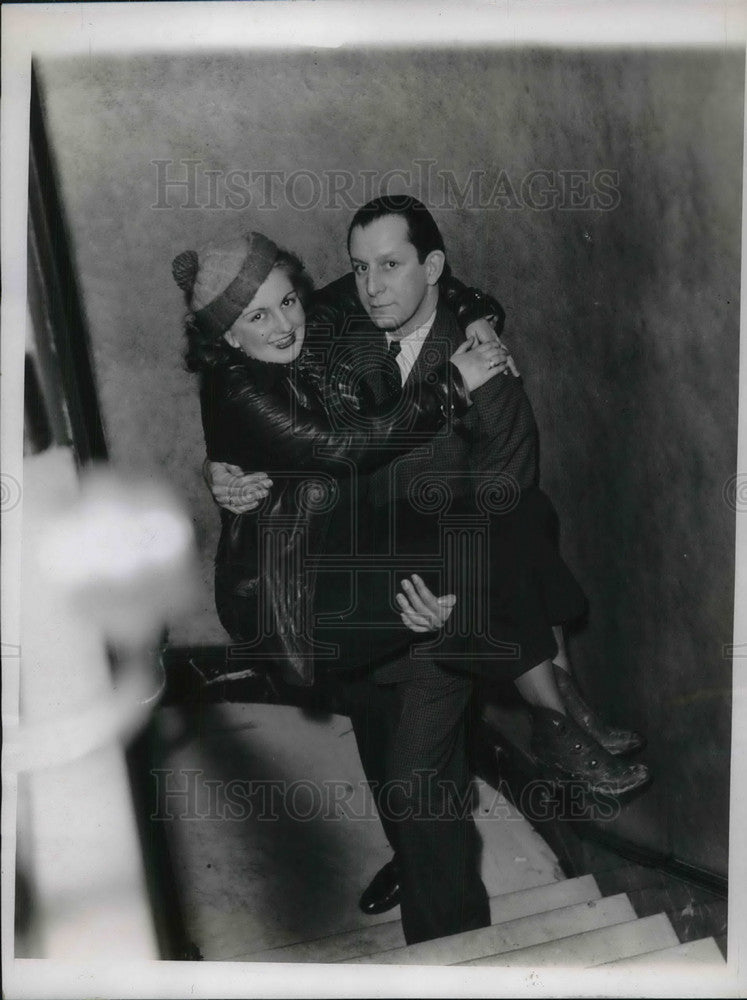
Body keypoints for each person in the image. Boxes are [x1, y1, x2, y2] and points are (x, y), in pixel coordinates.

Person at [203, 198, 650, 941]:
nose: (372, 286)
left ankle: (450, 948)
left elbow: (505, 504)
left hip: (431, 610)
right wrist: (224, 473)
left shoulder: (484, 369)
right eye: (360, 268)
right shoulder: (328, 331)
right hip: (338, 592)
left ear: (433, 267)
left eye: (391, 265)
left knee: (421, 788)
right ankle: (419, 849)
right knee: (385, 769)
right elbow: (298, 434)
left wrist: (450, 596)